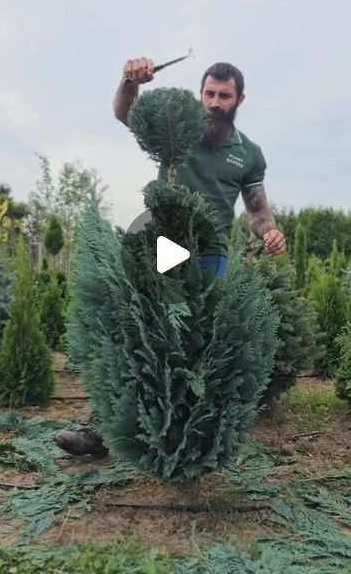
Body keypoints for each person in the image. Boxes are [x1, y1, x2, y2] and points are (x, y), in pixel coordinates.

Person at [54, 57, 285, 457]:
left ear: (239, 99)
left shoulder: (248, 153)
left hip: (213, 255)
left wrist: (270, 231)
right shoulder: (178, 130)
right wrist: (129, 81)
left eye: (224, 96)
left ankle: (187, 439)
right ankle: (102, 430)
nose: (214, 103)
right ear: (201, 93)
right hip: (166, 242)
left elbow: (257, 210)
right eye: (209, 93)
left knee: (199, 344)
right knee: (141, 330)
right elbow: (127, 114)